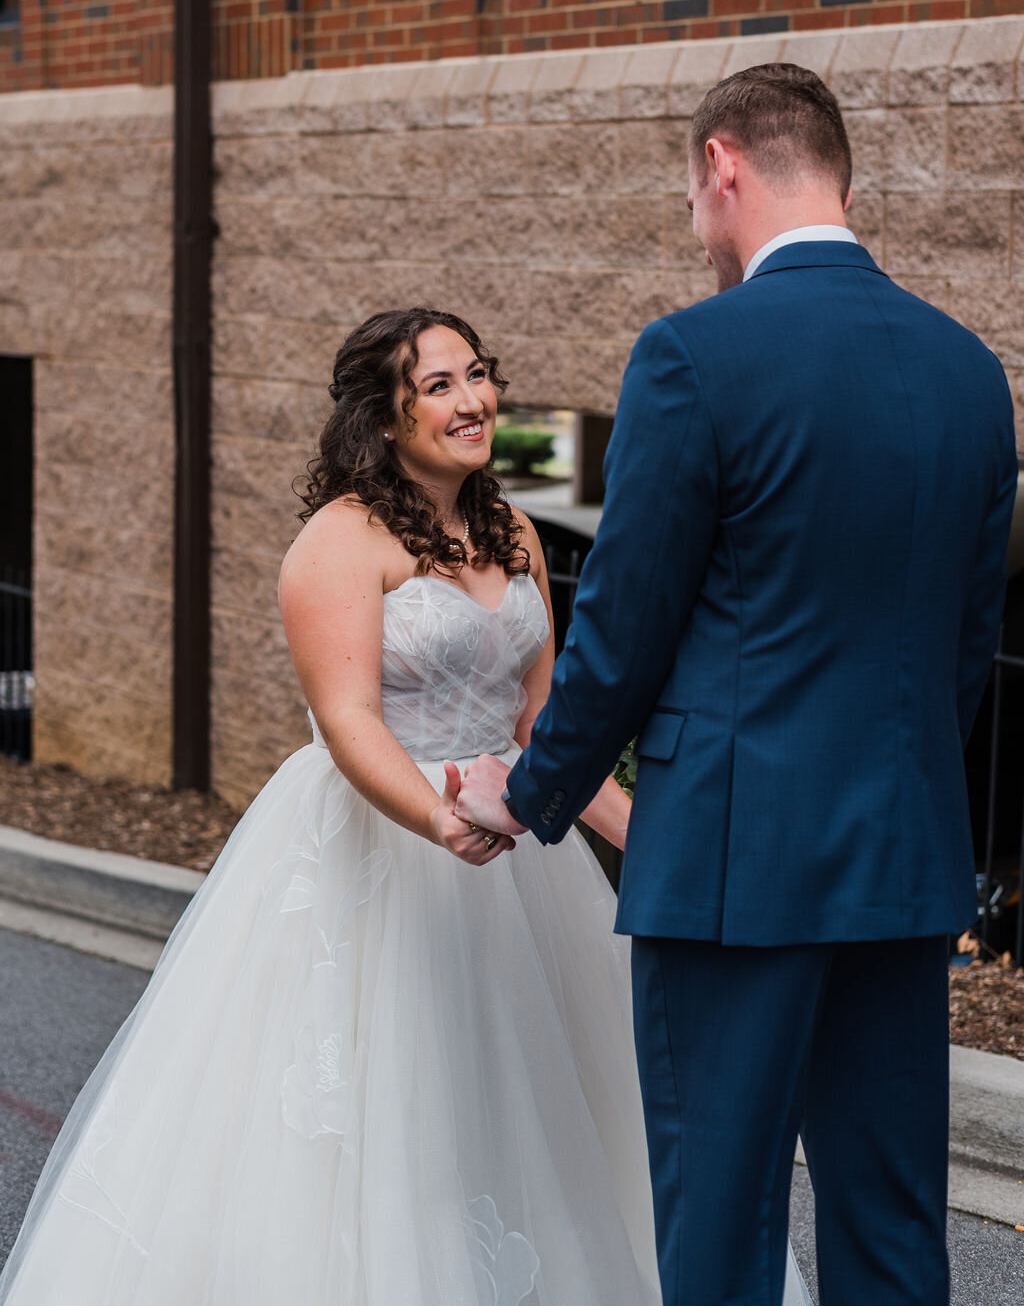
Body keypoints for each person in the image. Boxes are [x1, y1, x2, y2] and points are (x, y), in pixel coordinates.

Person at [2, 307, 814, 1305]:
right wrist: (436, 818)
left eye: (477, 375)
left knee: (542, 1106)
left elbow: (541, 721)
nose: (473, 400)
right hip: (385, 842)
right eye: (439, 385)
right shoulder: (337, 544)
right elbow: (348, 725)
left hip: (520, 856)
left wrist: (641, 835)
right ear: (385, 417)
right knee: (395, 1116)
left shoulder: (511, 527)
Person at [456, 64, 1019, 1306]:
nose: (694, 225)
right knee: (889, 1228)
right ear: (844, 181)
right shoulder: (973, 373)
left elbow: (624, 625)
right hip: (899, 861)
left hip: (729, 870)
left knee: (720, 1227)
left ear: (723, 166)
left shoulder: (692, 359)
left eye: (691, 194)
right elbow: (962, 650)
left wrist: (534, 792)